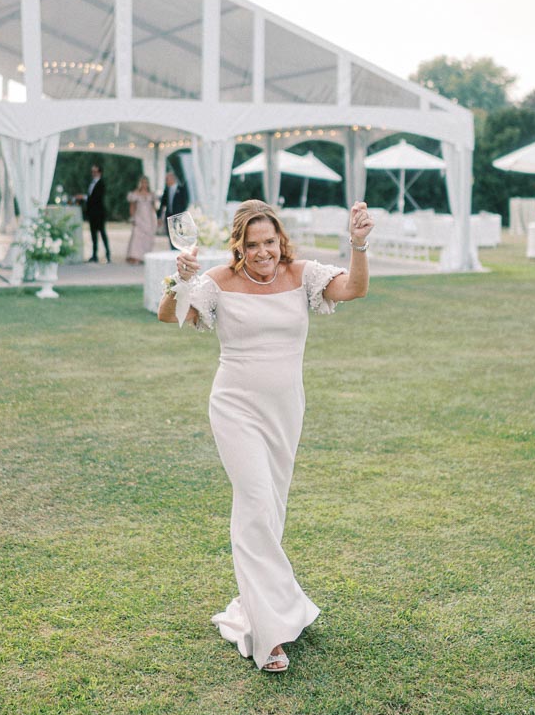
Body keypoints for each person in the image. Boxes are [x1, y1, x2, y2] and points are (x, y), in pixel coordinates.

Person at [158, 198, 375, 673]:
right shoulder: (218, 281)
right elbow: (169, 316)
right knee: (255, 502)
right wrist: (182, 278)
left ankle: (263, 606)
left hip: (285, 409)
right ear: (240, 245)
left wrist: (358, 242)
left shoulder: (302, 275)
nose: (263, 253)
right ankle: (272, 635)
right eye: (253, 244)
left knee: (271, 510)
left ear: (281, 240)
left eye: (270, 242)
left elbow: (355, 288)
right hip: (235, 407)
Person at [75, 163, 111, 263]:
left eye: (95, 171)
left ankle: (108, 253)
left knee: (102, 233)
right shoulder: (92, 183)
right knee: (93, 234)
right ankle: (94, 255)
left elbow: (96, 198)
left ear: (100, 172)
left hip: (99, 213)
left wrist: (84, 197)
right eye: (92, 172)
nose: (93, 173)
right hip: (92, 213)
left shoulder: (101, 183)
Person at [126, 175, 158, 264]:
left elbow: (154, 207)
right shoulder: (135, 194)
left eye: (146, 183)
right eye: (143, 182)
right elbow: (132, 207)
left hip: (149, 218)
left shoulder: (151, 194)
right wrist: (132, 218)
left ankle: (145, 256)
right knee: (137, 237)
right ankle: (136, 256)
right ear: (140, 184)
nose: (144, 184)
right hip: (139, 217)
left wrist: (156, 218)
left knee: (148, 237)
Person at [158, 170, 189, 244]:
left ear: (172, 178)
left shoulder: (181, 189)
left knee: (180, 237)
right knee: (171, 237)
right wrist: (159, 217)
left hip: (179, 217)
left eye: (167, 179)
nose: (166, 181)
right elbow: (163, 204)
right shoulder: (166, 190)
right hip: (169, 217)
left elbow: (185, 203)